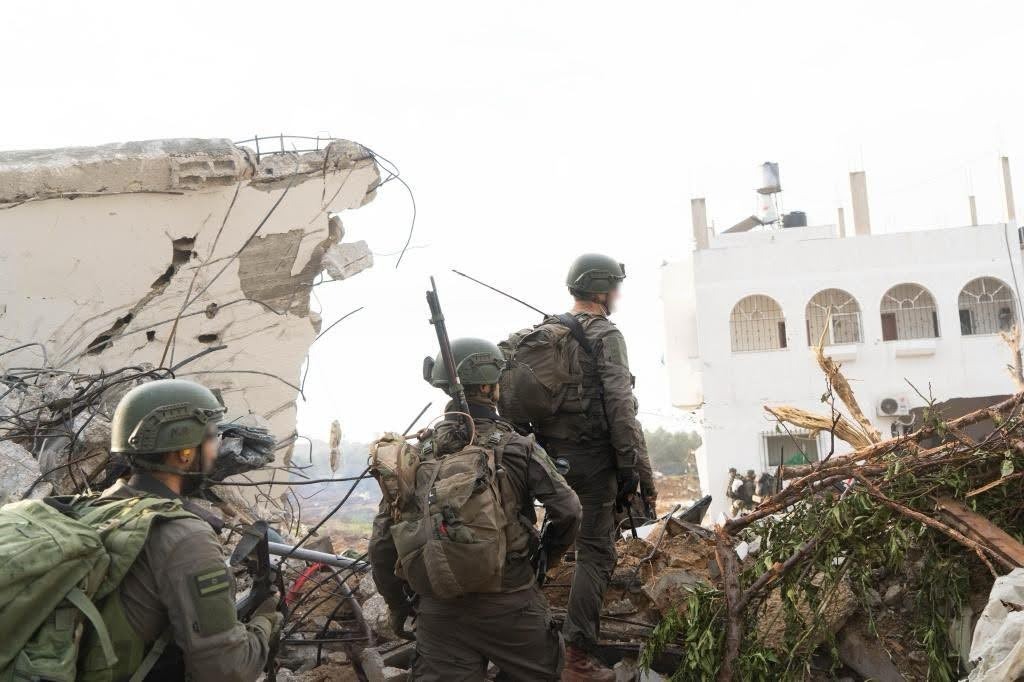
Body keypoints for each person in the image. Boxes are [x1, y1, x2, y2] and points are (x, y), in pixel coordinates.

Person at [368, 338, 582, 682]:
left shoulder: (414, 456)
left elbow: (381, 542)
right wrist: (544, 559)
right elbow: (569, 511)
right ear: (486, 386)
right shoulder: (518, 447)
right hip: (510, 603)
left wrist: (398, 605)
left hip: (439, 610)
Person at [81, 379, 282, 681]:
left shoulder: (93, 507)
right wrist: (264, 624)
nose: (217, 449)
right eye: (213, 436)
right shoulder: (186, 537)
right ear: (185, 453)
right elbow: (226, 671)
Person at [529, 254, 654, 681]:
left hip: (548, 459)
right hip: (592, 460)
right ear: (601, 290)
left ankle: (524, 632)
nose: (617, 294)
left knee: (553, 536)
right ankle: (576, 657)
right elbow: (620, 404)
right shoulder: (605, 334)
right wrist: (630, 466)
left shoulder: (547, 332)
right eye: (615, 286)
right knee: (596, 552)